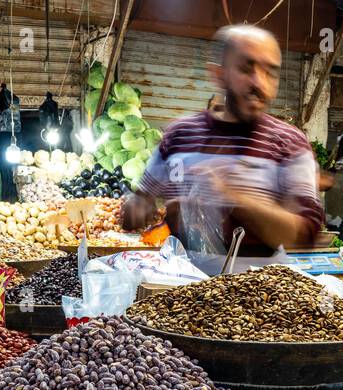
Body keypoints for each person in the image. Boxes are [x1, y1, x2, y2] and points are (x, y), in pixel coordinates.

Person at [121, 24, 323, 257]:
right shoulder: (179, 135)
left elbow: (304, 236)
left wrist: (231, 198)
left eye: (271, 72)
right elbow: (136, 209)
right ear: (219, 74)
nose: (259, 82)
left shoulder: (290, 143)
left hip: (263, 290)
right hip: (180, 287)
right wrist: (144, 209)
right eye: (246, 69)